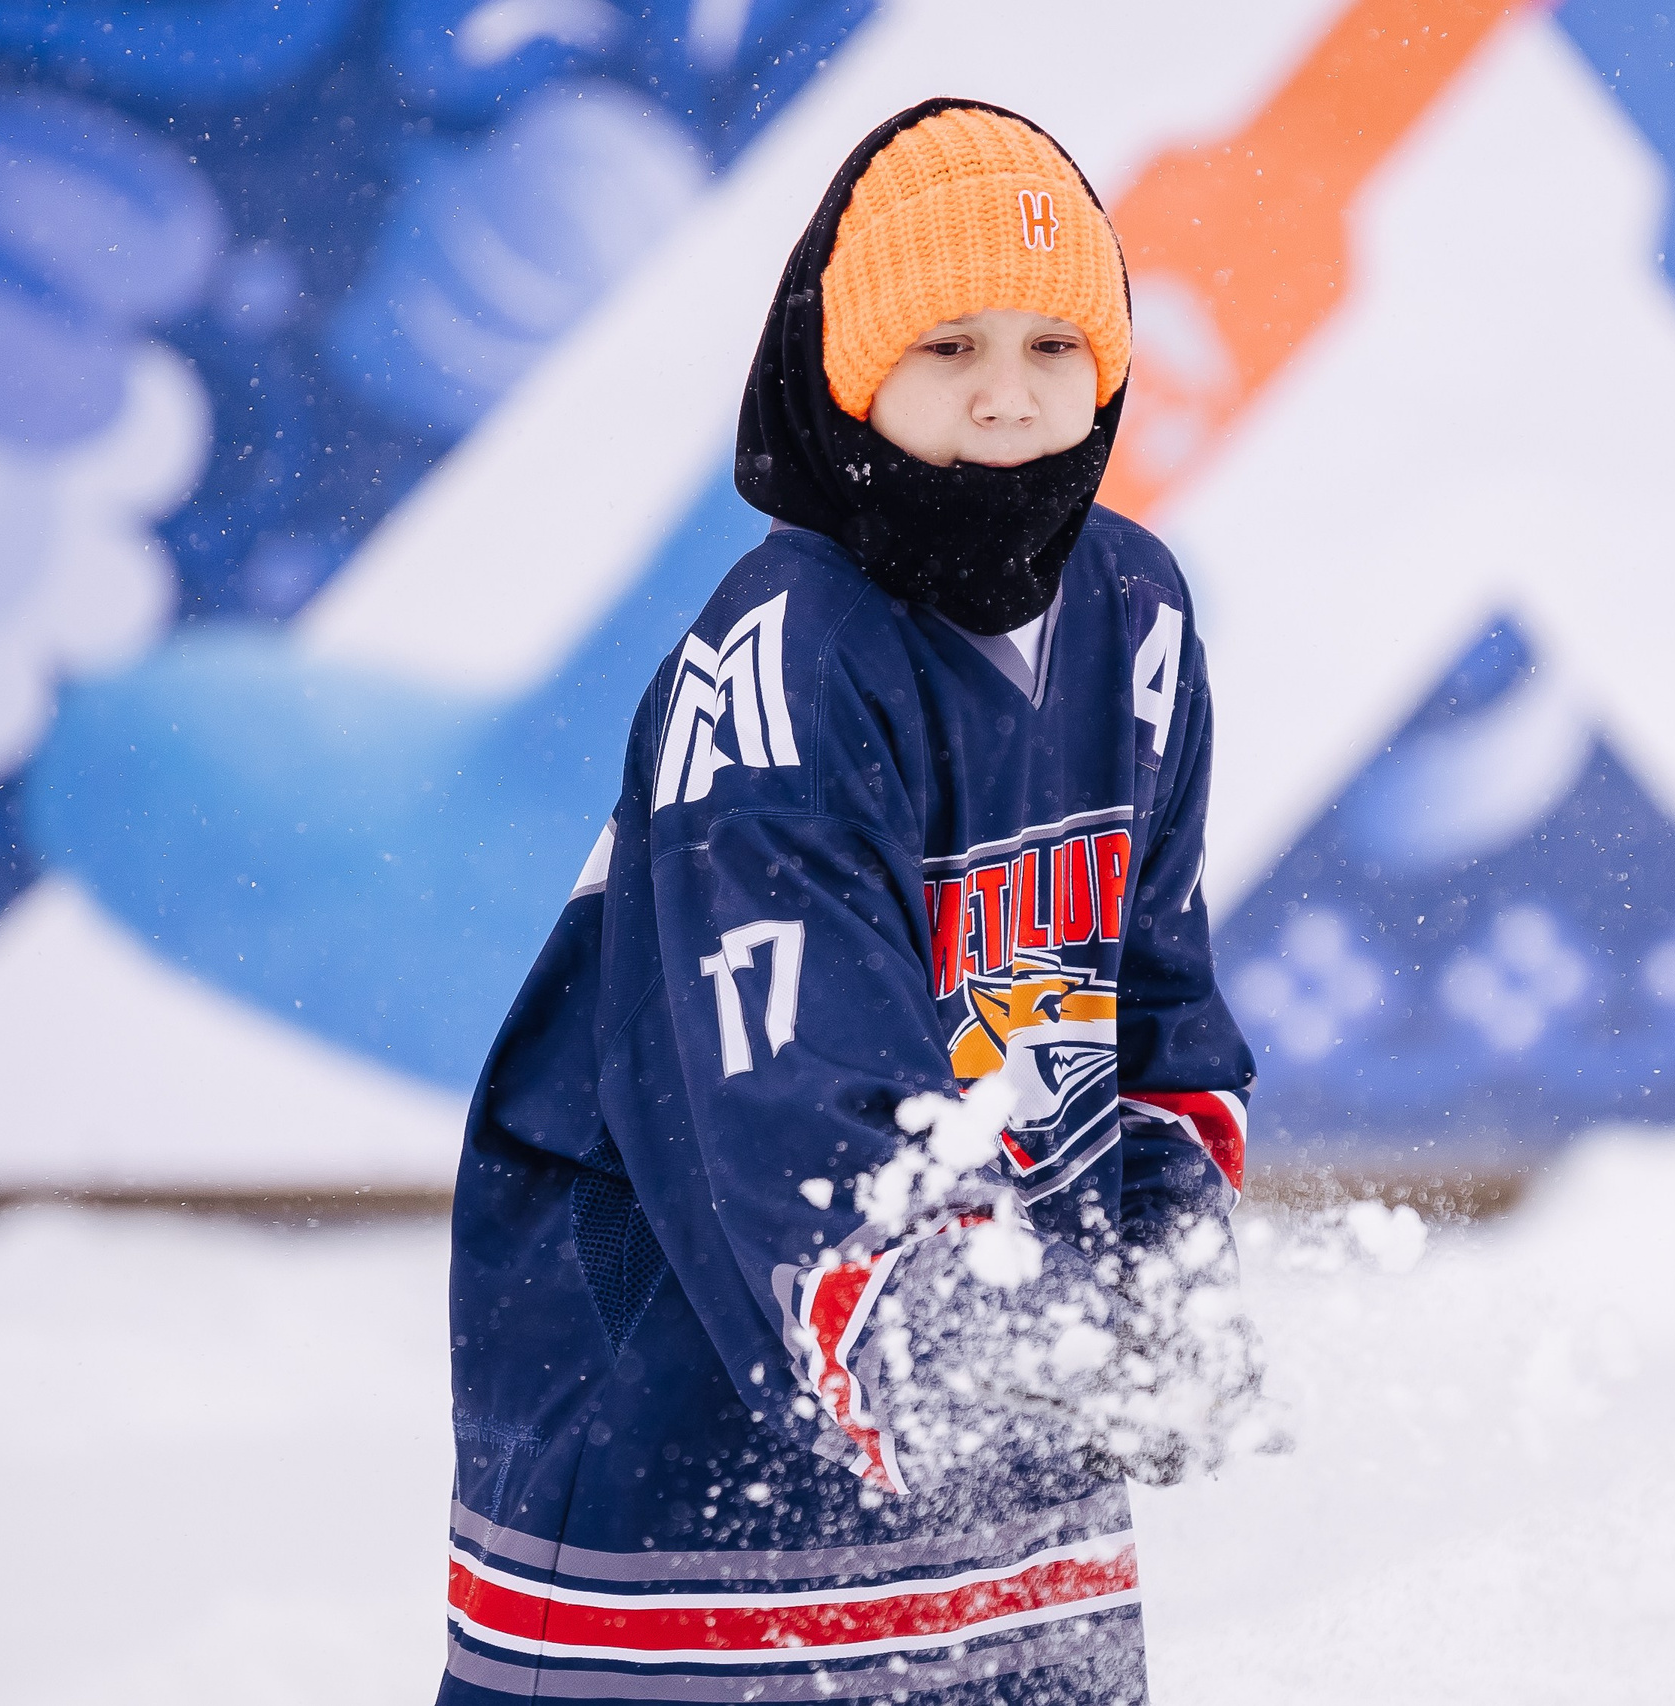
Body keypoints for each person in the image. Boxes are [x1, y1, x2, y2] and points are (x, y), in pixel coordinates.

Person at [441, 98, 1266, 1706]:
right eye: (948, 346)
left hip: (1002, 1411)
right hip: (689, 1408)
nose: (1009, 398)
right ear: (849, 366)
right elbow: (780, 1059)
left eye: (1049, 345)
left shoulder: (1138, 617)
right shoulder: (785, 660)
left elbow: (1151, 986)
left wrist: (1163, 1253)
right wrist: (935, 1318)